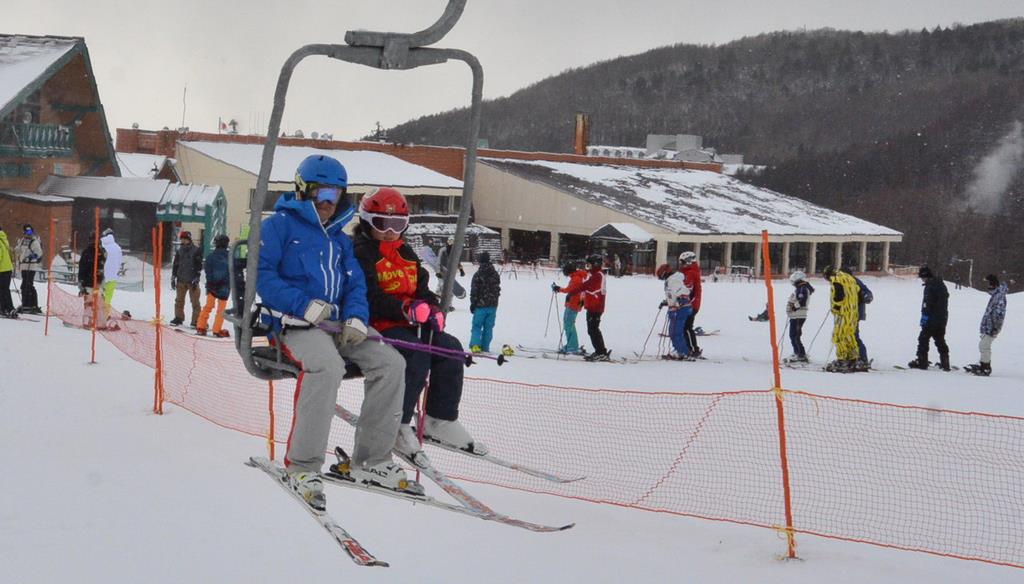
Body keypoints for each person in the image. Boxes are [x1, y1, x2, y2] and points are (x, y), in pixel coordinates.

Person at [258, 154, 411, 509]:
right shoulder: (278, 227)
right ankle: (303, 466)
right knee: (327, 367)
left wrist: (357, 317)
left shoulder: (339, 239)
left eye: (336, 196)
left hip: (338, 325)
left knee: (391, 364)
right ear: (303, 190)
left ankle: (372, 461)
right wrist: (302, 305)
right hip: (294, 325)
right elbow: (263, 276)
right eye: (322, 195)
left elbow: (355, 282)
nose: (329, 204)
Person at [352, 186, 488, 459]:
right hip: (376, 324)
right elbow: (367, 296)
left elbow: (421, 289)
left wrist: (433, 308)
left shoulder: (406, 253)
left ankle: (440, 419)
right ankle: (398, 424)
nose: (390, 231)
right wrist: (404, 308)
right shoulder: (361, 252)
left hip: (407, 322)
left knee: (450, 348)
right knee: (415, 354)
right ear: (367, 222)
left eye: (398, 224)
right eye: (382, 223)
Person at [558, 254, 610, 361]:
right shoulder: (595, 274)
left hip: (596, 307)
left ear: (595, 265)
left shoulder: (597, 275)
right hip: (592, 306)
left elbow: (584, 286)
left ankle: (601, 352)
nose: (588, 267)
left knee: (593, 330)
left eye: (590, 265)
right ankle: (600, 351)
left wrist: (571, 293)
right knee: (592, 330)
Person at [907, 265, 950, 371]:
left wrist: (925, 317)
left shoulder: (930, 287)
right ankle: (945, 362)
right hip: (942, 318)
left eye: (922, 277)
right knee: (940, 340)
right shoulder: (941, 285)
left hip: (932, 319)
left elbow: (927, 303)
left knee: (923, 339)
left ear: (926, 276)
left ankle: (922, 362)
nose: (922, 279)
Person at [965, 274, 1007, 377]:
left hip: (992, 327)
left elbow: (999, 314)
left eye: (988, 284)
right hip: (989, 325)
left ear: (993, 285)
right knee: (983, 345)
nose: (987, 287)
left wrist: (995, 327)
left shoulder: (999, 296)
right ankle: (983, 363)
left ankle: (985, 367)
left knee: (984, 345)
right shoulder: (996, 295)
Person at [823, 265, 860, 372]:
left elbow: (839, 295)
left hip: (843, 313)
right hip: (853, 313)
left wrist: (836, 306)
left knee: (838, 336)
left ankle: (842, 359)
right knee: (849, 335)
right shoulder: (850, 278)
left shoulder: (836, 280)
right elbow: (857, 290)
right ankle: (853, 357)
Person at [196, 234, 231, 337]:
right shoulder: (230, 257)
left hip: (212, 286)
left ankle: (201, 327)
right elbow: (231, 272)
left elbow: (207, 271)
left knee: (208, 307)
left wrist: (211, 283)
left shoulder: (210, 257)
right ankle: (216, 330)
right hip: (225, 287)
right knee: (221, 310)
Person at [656, 263, 692, 360]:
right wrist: (667, 302)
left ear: (664, 273)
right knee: (674, 332)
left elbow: (682, 292)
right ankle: (678, 350)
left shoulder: (673, 280)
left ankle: (683, 352)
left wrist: (682, 300)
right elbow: (672, 295)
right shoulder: (671, 280)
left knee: (676, 332)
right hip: (676, 310)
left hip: (679, 310)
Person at [469, 251, 501, 353]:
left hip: (480, 305)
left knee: (477, 326)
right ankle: (485, 347)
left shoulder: (478, 275)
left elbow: (474, 291)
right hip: (492, 305)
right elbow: (497, 289)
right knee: (489, 327)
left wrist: (473, 303)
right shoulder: (495, 274)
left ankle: (475, 345)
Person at [841, 267, 873, 369]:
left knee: (853, 335)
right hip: (847, 313)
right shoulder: (843, 282)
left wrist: (865, 297)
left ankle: (863, 358)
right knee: (846, 336)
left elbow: (868, 294)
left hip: (854, 313)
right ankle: (851, 357)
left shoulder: (855, 282)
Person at [170, 230, 203, 327]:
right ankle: (179, 318)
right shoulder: (179, 251)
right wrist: (173, 276)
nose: (183, 241)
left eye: (184, 239)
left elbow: (199, 266)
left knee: (195, 302)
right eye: (182, 239)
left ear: (189, 239)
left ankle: (196, 321)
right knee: (179, 301)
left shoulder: (196, 250)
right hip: (181, 279)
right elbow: (175, 264)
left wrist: (196, 277)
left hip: (192, 281)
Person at [554, 261, 587, 354]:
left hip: (573, 304)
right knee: (568, 323)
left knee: (568, 324)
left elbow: (570, 290)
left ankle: (572, 346)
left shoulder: (576, 278)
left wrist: (558, 289)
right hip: (574, 303)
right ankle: (571, 344)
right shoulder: (577, 276)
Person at [77, 232, 106, 329]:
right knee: (99, 303)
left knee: (90, 303)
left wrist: (81, 281)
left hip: (89, 281)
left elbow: (82, 267)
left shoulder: (89, 252)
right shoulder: (100, 251)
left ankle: (88, 322)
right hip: (97, 281)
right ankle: (101, 323)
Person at [784, 271, 815, 363]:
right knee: (792, 335)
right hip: (795, 316)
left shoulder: (802, 288)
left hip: (798, 316)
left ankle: (800, 354)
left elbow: (802, 300)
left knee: (795, 335)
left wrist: (794, 307)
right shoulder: (800, 288)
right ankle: (797, 352)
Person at [678, 251, 703, 358]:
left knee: (687, 327)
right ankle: (689, 348)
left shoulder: (690, 272)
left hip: (691, 304)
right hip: (690, 303)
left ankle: (693, 349)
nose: (681, 264)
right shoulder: (688, 271)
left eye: (683, 262)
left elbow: (687, 288)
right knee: (686, 327)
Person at [15, 223, 43, 314]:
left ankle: (32, 305)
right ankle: (26, 304)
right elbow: (18, 249)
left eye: (30, 231)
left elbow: (39, 252)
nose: (29, 234)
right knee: (25, 285)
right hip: (24, 266)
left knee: (28, 284)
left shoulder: (34, 241)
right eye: (27, 231)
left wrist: (33, 255)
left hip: (31, 266)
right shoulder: (22, 240)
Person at [100, 228, 122, 316]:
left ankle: (96, 315)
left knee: (99, 296)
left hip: (102, 276)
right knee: (108, 298)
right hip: (113, 277)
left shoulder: (102, 246)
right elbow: (119, 262)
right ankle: (105, 316)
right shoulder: (117, 248)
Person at [231, 224, 249, 316]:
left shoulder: (236, 249)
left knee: (241, 298)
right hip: (241, 273)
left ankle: (241, 314)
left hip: (240, 272)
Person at [0, 223, 16, 318]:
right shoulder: (4, 239)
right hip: (7, 268)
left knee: (3, 290)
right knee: (4, 289)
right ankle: (4, 307)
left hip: (2, 269)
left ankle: (8, 308)